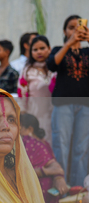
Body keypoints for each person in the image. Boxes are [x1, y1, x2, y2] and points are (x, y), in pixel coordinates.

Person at [48, 15, 89, 187]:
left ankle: (78, 189)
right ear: (64, 31)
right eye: (71, 27)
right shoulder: (59, 49)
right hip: (63, 103)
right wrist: (69, 43)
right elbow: (52, 64)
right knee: (61, 145)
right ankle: (60, 185)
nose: (75, 30)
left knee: (82, 148)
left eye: (78, 27)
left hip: (86, 104)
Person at [20, 113, 67, 203]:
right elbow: (54, 168)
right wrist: (45, 171)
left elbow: (55, 167)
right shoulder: (42, 143)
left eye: (19, 127)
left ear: (29, 129)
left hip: (38, 191)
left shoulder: (32, 144)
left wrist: (57, 176)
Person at [17, 35, 56, 142]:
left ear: (49, 49)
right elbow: (22, 94)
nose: (39, 52)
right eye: (35, 49)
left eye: (42, 48)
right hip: (34, 115)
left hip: (55, 113)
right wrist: (24, 116)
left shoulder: (56, 69)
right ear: (31, 52)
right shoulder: (27, 71)